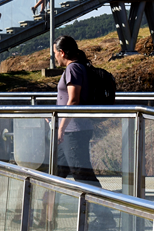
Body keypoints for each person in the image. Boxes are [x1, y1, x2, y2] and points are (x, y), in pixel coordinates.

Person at [52, 35, 115, 229]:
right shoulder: (79, 67)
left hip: (73, 130)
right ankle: (45, 216)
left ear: (62, 52)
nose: (54, 57)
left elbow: (73, 100)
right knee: (54, 174)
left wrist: (61, 127)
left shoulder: (73, 68)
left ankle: (106, 218)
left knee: (82, 175)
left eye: (55, 53)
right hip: (72, 129)